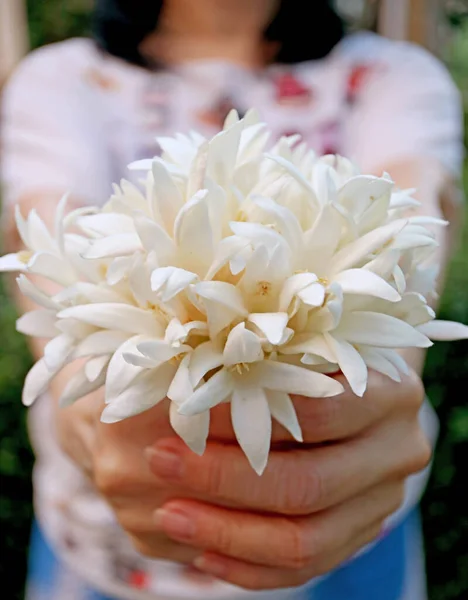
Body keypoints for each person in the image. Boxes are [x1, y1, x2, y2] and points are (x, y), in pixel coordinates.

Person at [0, 1, 464, 599]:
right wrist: (84, 406)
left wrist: (376, 392)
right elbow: (50, 244)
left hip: (354, 538)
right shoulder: (64, 79)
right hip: (99, 557)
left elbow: (407, 222)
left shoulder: (394, 78)